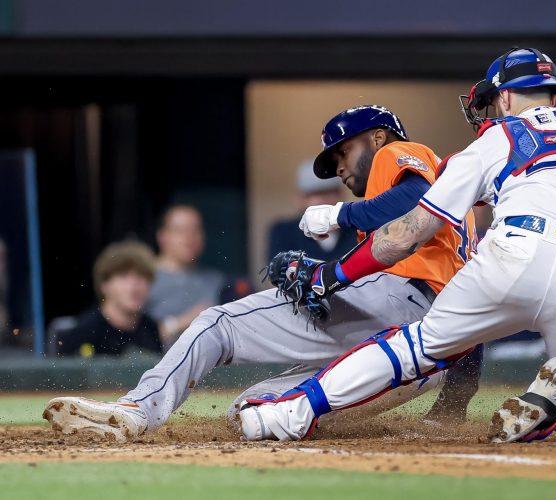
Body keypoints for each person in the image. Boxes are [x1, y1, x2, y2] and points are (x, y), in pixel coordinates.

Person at [237, 47, 556, 443]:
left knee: (414, 347)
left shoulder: (493, 139)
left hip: (511, 257)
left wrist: (331, 275)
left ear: (503, 95)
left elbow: (407, 233)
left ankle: (286, 414)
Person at [43, 105, 478, 441]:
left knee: (218, 323)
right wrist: (453, 405)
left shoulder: (402, 152)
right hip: (426, 347)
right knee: (250, 410)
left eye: (344, 151)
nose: (340, 167)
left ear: (378, 136)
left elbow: (417, 201)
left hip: (394, 299)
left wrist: (340, 216)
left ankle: (138, 410)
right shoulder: (461, 212)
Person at [56, 241, 161, 357]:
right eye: (123, 276)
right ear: (104, 285)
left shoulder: (151, 329)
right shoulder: (84, 333)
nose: (133, 286)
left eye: (141, 277)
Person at [146, 204, 225, 347]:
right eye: (180, 230)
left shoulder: (216, 280)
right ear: (162, 237)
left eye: (195, 230)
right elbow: (129, 335)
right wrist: (181, 322)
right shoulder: (142, 279)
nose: (189, 237)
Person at [267, 161, 359, 262]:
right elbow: (280, 272)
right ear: (300, 199)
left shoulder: (356, 230)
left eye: (329, 192)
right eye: (316, 194)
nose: (323, 200)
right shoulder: (284, 233)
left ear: (340, 194)